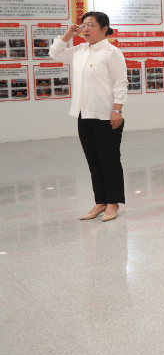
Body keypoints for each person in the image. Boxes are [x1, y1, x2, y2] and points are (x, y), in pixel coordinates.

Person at [50, 11, 128, 222]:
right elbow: (54, 53)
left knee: (109, 161)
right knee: (93, 161)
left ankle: (113, 202)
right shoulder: (79, 50)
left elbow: (121, 83)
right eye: (83, 25)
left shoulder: (112, 52)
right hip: (83, 114)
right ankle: (100, 202)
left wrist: (117, 110)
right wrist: (68, 34)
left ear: (104, 28)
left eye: (91, 25)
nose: (85, 29)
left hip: (106, 115)